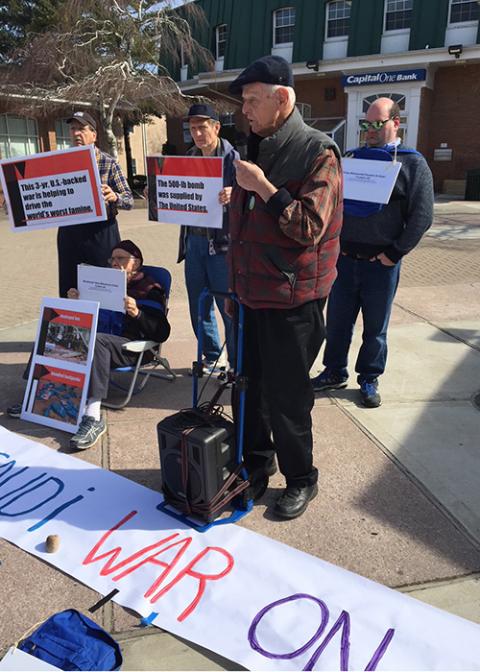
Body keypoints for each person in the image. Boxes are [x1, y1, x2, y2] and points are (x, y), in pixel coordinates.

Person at [227, 56, 343, 519]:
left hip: (293, 299)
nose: (245, 112)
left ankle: (301, 479)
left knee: (288, 397)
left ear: (282, 99)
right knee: (250, 390)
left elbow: (310, 225)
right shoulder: (253, 145)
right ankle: (257, 466)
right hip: (251, 294)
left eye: (252, 101)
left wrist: (263, 188)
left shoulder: (318, 150)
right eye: (243, 103)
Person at [311, 97, 434, 408]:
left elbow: (422, 215)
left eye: (377, 124)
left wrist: (395, 252)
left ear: (396, 123)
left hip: (382, 264)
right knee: (337, 322)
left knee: (375, 329)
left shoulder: (412, 163)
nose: (370, 130)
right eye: (366, 124)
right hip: (344, 261)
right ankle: (334, 371)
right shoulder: (352, 159)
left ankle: (368, 377)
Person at [7, 240, 170, 451]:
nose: (114, 263)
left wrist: (137, 313)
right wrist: (75, 302)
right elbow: (83, 320)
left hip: (132, 346)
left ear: (136, 262)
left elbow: (161, 332)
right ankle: (34, 397)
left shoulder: (149, 289)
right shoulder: (100, 284)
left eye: (121, 258)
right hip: (102, 341)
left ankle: (92, 416)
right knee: (53, 329)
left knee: (96, 340)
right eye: (112, 258)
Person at [177, 104, 239, 376]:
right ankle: (212, 357)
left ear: (216, 127)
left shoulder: (234, 159)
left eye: (203, 127)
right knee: (199, 306)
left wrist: (235, 193)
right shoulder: (187, 158)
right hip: (194, 242)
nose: (198, 133)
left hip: (222, 245)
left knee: (228, 307)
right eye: (193, 128)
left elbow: (255, 197)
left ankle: (237, 363)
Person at [57, 111, 134, 298]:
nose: (76, 133)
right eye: (73, 129)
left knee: (104, 287)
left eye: (81, 129)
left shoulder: (108, 163)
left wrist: (115, 196)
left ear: (94, 135)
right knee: (70, 289)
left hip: (101, 233)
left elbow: (129, 200)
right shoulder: (60, 163)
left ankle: (105, 325)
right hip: (70, 233)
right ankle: (74, 325)